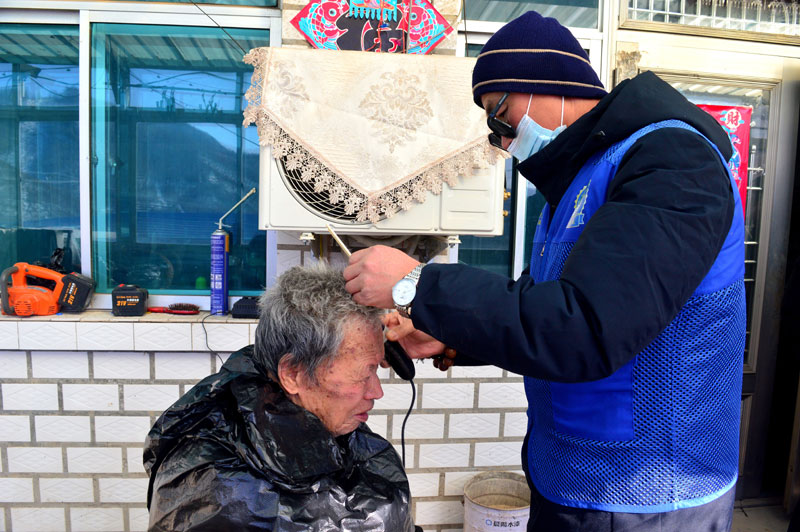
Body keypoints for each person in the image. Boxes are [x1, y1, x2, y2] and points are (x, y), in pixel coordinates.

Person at [343, 10, 745, 532]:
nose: (503, 139)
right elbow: (545, 308)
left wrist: (418, 284)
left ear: (549, 85)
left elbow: (587, 328)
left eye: (500, 114)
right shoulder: (576, 185)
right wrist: (451, 337)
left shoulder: (672, 161)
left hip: (648, 495)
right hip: (572, 477)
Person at [144, 263, 417, 532]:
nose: (376, 392)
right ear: (293, 374)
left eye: (376, 370)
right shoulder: (218, 486)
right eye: (363, 374)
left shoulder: (344, 435)